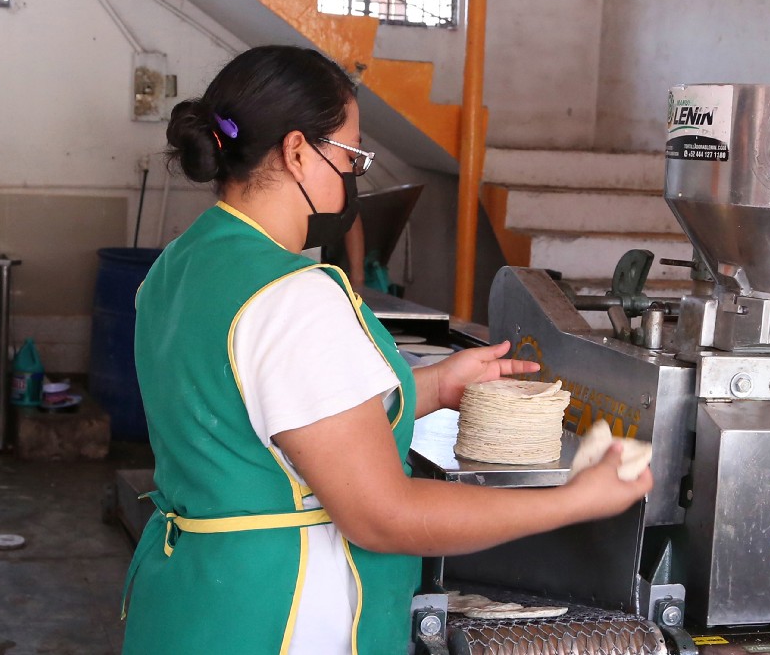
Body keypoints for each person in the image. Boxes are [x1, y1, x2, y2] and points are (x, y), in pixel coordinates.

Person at [119, 45, 652, 655]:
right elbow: (383, 514)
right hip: (277, 617)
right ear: (297, 151)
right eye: (349, 155)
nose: (352, 176)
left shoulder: (180, 264)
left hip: (190, 600)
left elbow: (256, 419)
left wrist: (430, 388)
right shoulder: (292, 296)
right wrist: (575, 501)